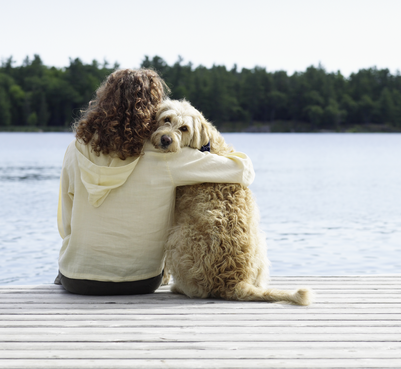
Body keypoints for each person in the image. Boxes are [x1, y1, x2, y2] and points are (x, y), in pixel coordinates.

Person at [55, 68, 255, 295]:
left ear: (102, 101)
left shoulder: (75, 148)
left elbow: (65, 222)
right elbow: (244, 171)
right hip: (140, 281)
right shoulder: (167, 156)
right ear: (152, 109)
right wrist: (209, 143)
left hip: (76, 279)